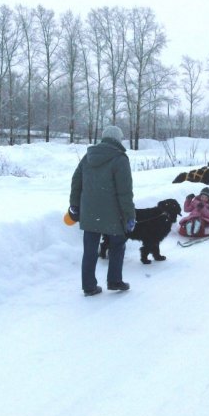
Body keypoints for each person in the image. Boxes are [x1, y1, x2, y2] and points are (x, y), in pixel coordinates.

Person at [69, 126, 136, 296]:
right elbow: (124, 192)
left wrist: (74, 205)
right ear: (118, 139)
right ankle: (114, 281)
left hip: (89, 213)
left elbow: (76, 182)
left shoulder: (88, 157)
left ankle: (89, 286)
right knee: (117, 246)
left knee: (90, 251)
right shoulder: (120, 159)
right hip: (113, 214)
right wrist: (129, 215)